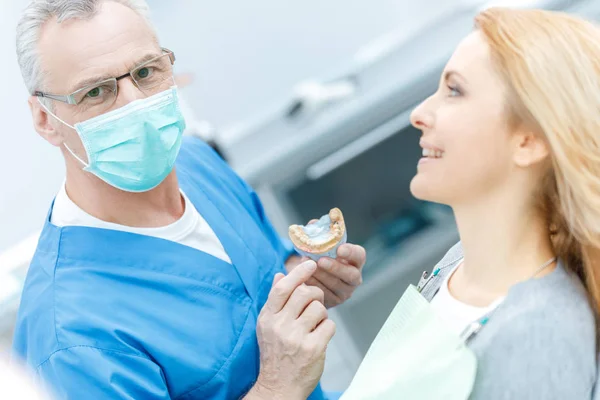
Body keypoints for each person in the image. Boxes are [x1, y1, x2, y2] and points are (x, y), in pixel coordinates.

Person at [12, 1, 366, 399]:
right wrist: (278, 385)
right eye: (96, 91)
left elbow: (260, 272)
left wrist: (309, 281)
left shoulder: (196, 163)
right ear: (45, 118)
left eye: (146, 72)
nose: (136, 104)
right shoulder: (71, 338)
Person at [342, 7, 599, 399]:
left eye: (455, 90)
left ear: (529, 141)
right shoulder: (456, 263)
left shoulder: (538, 335)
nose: (419, 114)